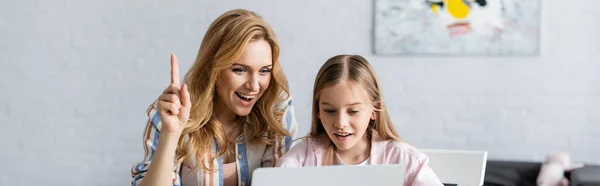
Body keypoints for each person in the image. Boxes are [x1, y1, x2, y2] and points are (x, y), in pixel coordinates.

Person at [131, 9, 297, 186]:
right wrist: (171, 135)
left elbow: (280, 180)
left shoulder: (276, 106)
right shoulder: (172, 111)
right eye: (239, 70)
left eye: (264, 71)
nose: (254, 86)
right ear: (214, 69)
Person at [277, 54, 443, 185]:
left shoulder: (403, 160)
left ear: (374, 110)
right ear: (318, 111)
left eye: (353, 111)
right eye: (330, 110)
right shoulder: (302, 158)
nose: (341, 123)